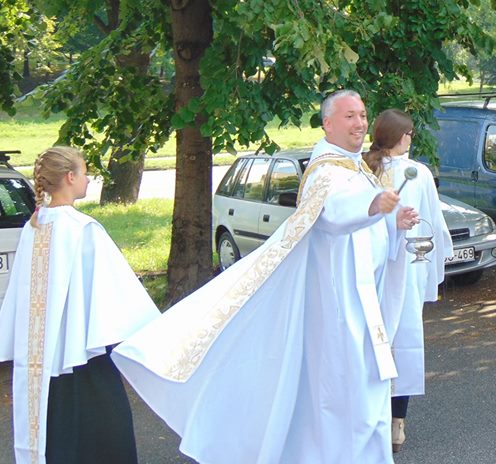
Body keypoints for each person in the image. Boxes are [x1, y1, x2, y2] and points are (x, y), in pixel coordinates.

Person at [112, 90, 418, 464]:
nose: (360, 123)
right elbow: (333, 212)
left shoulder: (354, 167)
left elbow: (364, 232)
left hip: (362, 301)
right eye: (350, 116)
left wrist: (393, 224)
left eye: (363, 115)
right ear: (327, 124)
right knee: (344, 395)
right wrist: (371, 205)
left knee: (365, 391)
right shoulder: (326, 171)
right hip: (339, 307)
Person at [0, 146, 160, 464]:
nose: (88, 179)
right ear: (70, 177)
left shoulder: (33, 227)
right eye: (85, 172)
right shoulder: (83, 229)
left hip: (40, 363)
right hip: (84, 355)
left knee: (55, 441)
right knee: (104, 442)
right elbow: (117, 293)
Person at [363, 109, 454, 453]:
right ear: (401, 136)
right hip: (403, 268)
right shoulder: (411, 173)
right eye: (410, 133)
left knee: (377, 340)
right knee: (402, 341)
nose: (411, 139)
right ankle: (396, 423)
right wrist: (434, 266)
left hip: (373, 269)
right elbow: (432, 222)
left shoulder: (364, 169)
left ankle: (377, 419)